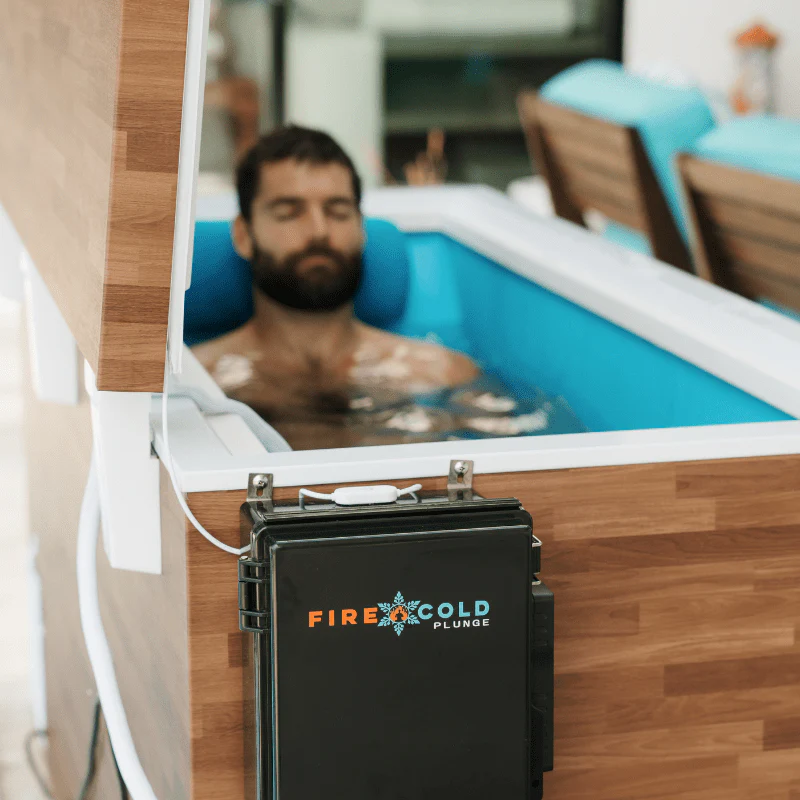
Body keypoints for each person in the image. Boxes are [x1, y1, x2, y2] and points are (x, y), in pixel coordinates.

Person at [193, 125, 480, 449]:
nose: (319, 231)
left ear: (361, 230)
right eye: (289, 212)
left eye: (338, 211)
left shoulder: (444, 374)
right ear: (243, 235)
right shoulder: (196, 386)